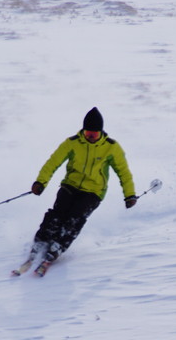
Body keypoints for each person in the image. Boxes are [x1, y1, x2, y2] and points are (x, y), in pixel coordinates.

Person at [15, 107, 137, 276]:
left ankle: (58, 246)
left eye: (94, 135)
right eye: (87, 134)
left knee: (75, 217)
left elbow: (123, 172)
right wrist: (40, 182)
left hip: (94, 191)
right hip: (70, 185)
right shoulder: (72, 143)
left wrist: (129, 194)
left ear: (100, 133)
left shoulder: (111, 147)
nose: (90, 137)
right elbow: (53, 163)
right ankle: (41, 241)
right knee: (57, 213)